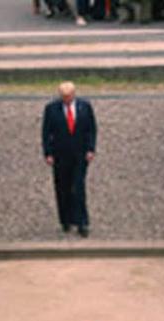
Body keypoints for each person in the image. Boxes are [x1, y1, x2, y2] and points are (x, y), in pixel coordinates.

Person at [42, 81, 97, 238]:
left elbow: (91, 129)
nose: (66, 99)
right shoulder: (51, 109)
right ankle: (65, 220)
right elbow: (46, 133)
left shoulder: (85, 107)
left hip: (80, 155)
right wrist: (48, 153)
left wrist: (91, 149)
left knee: (78, 188)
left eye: (69, 96)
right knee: (63, 188)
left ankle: (82, 222)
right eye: (63, 96)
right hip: (60, 155)